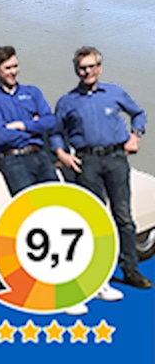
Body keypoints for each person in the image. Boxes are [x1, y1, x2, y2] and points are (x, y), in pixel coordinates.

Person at [52, 46, 152, 290]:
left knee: (123, 216)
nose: (87, 72)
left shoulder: (114, 92)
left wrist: (136, 135)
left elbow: (138, 113)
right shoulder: (67, 101)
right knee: (94, 219)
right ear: (76, 70)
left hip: (116, 159)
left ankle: (130, 269)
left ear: (99, 67)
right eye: (82, 68)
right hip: (87, 163)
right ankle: (98, 274)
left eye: (91, 67)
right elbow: (55, 132)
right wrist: (62, 154)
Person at [0, 46, 57, 194]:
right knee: (28, 204)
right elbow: (1, 136)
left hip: (40, 155)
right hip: (13, 160)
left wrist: (22, 126)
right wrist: (35, 129)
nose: (13, 72)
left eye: (15, 66)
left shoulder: (33, 92)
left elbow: (50, 121)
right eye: (8, 68)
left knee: (54, 200)